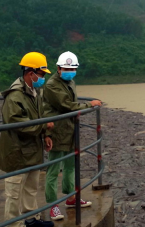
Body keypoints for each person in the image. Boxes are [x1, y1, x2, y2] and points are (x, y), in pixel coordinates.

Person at [0, 52, 55, 227]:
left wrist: (46, 136)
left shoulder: (34, 93)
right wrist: (44, 127)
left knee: (31, 187)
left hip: (31, 150)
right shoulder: (15, 96)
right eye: (42, 74)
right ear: (31, 73)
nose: (43, 77)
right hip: (16, 152)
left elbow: (40, 115)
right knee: (14, 192)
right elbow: (18, 124)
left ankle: (31, 219)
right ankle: (14, 224)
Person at [43, 51, 102, 221]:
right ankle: (52, 205)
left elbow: (71, 105)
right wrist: (88, 104)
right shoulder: (52, 85)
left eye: (73, 68)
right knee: (54, 170)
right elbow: (67, 105)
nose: (70, 71)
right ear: (58, 68)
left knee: (70, 166)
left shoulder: (70, 82)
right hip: (55, 132)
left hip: (70, 131)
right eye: (67, 68)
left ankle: (70, 197)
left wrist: (79, 108)